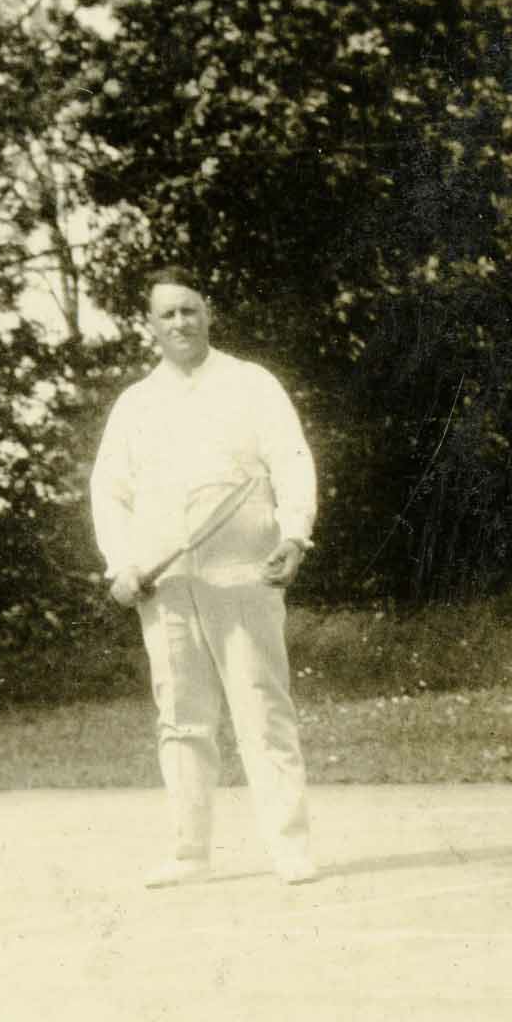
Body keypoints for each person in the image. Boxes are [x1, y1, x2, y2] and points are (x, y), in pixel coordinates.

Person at [90, 268, 319, 888]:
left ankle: (289, 846)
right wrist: (120, 565)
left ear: (208, 313)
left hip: (245, 574)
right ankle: (191, 852)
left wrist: (295, 534)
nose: (180, 323)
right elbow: (109, 494)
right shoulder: (135, 404)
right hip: (164, 587)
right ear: (150, 327)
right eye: (167, 315)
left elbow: (293, 461)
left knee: (261, 709)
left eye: (189, 310)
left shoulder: (251, 385)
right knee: (181, 716)